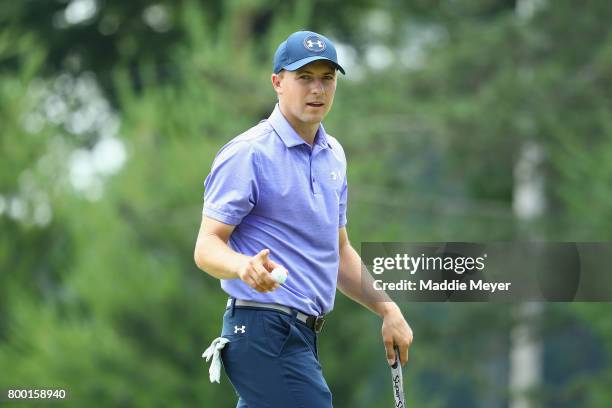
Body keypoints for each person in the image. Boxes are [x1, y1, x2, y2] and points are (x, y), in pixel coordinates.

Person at [195, 30, 413, 407]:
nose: (318, 89)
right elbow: (206, 245)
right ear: (278, 82)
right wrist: (242, 265)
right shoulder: (249, 153)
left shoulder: (334, 156)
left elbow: (339, 251)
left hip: (302, 336)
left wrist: (387, 307)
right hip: (262, 331)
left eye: (327, 78)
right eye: (304, 77)